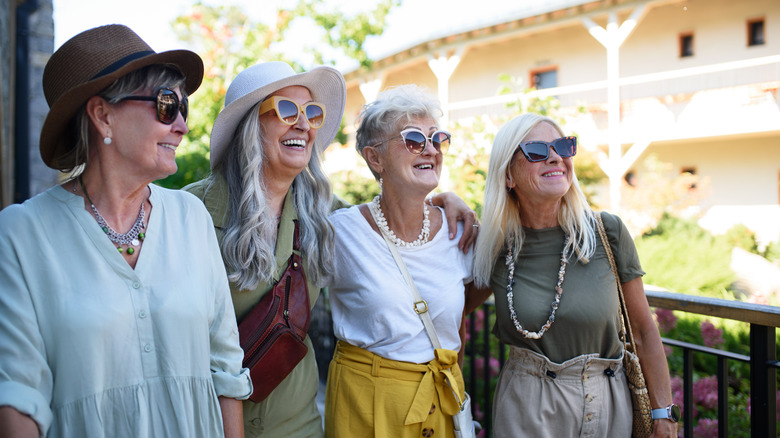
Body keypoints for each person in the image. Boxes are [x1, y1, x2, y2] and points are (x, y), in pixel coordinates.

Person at [184, 62, 477, 437]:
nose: (304, 124)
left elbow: (390, 212)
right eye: (287, 110)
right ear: (250, 125)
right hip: (210, 421)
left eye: (312, 113)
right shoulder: (192, 213)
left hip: (297, 424)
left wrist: (444, 200)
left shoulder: (324, 216)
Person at [0, 25, 251, 438]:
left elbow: (225, 370)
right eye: (167, 105)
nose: (183, 126)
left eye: (183, 108)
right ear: (103, 115)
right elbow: (17, 396)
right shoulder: (22, 235)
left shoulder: (191, 217)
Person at [469, 113, 676, 437]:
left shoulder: (607, 232)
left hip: (609, 405)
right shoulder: (494, 246)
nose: (555, 157)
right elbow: (450, 309)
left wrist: (664, 415)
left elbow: (643, 329)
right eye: (536, 150)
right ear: (508, 175)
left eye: (563, 146)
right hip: (527, 408)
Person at [324, 84, 480, 438]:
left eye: (436, 138)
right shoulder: (340, 232)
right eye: (413, 139)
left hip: (441, 405)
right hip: (365, 405)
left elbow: (460, 318)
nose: (430, 149)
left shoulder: (459, 231)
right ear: (375, 158)